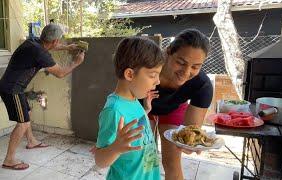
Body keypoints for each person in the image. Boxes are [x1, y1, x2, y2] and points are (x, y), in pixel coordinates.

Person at [0, 23, 85, 170]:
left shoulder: (33, 42)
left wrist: (67, 47)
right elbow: (60, 73)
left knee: (28, 112)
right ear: (55, 41)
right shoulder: (40, 53)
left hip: (13, 86)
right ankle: (9, 159)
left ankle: (31, 141)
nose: (58, 43)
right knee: (23, 123)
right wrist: (76, 63)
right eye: (58, 41)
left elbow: (51, 46)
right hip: (12, 89)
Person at [145, 29, 213, 180]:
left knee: (172, 164)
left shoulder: (202, 85)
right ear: (168, 52)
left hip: (173, 108)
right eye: (181, 63)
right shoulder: (147, 67)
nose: (186, 72)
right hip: (141, 106)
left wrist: (190, 144)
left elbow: (191, 131)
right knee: (142, 159)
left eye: (195, 66)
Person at [94, 37, 164, 180]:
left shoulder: (133, 99)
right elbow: (99, 160)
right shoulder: (113, 110)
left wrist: (146, 110)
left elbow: (133, 123)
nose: (158, 81)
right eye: (153, 75)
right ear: (130, 74)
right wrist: (115, 148)